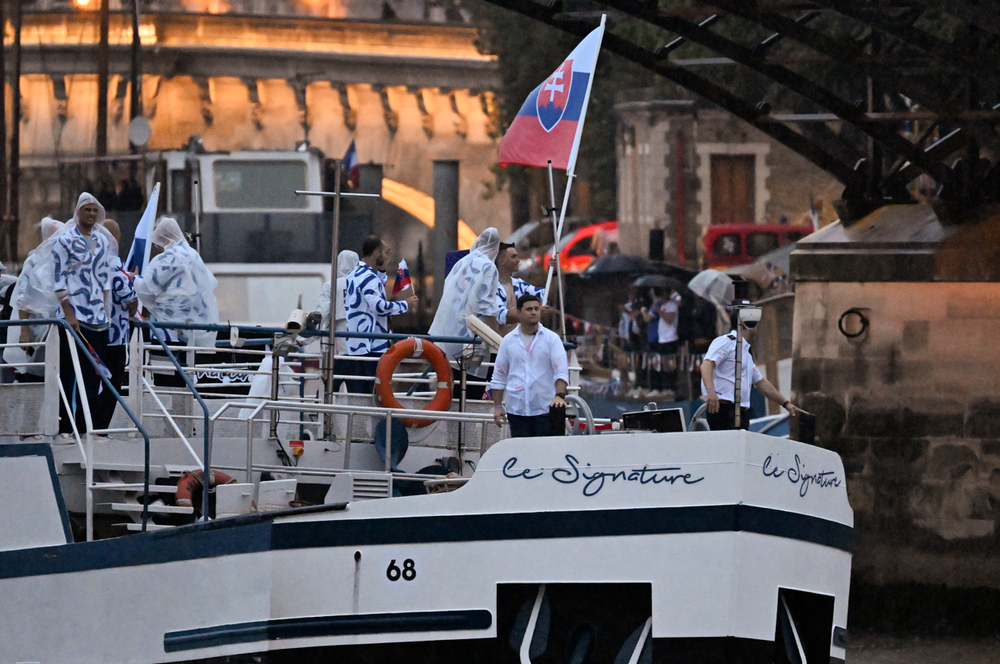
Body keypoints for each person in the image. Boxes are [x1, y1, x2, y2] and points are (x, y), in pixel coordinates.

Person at [52, 194, 114, 438]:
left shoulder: (102, 241)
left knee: (92, 375)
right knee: (68, 373)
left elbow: (105, 277)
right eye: (87, 209)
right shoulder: (64, 241)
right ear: (78, 212)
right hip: (74, 317)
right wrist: (68, 313)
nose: (91, 214)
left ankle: (85, 426)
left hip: (98, 317)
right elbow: (57, 279)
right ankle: (66, 427)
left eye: (94, 210)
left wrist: (106, 310)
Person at [429, 227, 502, 398]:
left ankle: (452, 425)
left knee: (450, 391)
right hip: (471, 340)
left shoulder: (462, 262)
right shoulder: (489, 267)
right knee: (471, 391)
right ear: (495, 248)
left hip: (447, 335)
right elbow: (487, 306)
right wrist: (497, 339)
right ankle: (465, 424)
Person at [343, 236, 416, 393]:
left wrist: (383, 267)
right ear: (376, 253)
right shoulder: (369, 278)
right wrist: (405, 304)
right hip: (372, 346)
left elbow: (373, 289)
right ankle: (375, 419)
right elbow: (379, 306)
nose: (387, 253)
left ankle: (358, 419)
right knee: (375, 394)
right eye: (384, 251)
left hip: (356, 345)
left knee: (359, 395)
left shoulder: (354, 273)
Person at [701, 319, 803, 430]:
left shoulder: (746, 354)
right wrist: (711, 391)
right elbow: (706, 364)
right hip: (722, 408)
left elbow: (761, 382)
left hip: (741, 412)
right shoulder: (726, 342)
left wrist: (785, 403)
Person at [134, 217, 220, 349]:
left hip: (168, 328)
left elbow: (147, 289)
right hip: (194, 329)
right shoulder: (192, 254)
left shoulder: (168, 258)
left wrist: (134, 280)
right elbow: (209, 283)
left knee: (164, 366)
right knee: (186, 366)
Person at [491, 294, 569, 438]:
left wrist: (559, 395)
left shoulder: (552, 339)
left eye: (536, 309)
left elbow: (561, 370)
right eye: (529, 309)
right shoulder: (508, 341)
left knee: (545, 453)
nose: (533, 312)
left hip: (545, 409)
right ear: (519, 314)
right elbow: (499, 375)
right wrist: (497, 406)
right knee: (521, 454)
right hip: (517, 410)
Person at [93, 219, 138, 431]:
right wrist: (132, 308)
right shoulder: (113, 264)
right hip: (115, 336)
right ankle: (100, 428)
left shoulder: (91, 261)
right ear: (116, 238)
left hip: (93, 334)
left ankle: (89, 425)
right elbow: (128, 295)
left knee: (93, 382)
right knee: (113, 384)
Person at [316, 249, 360, 355]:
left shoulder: (331, 286)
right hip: (364, 342)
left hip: (339, 342)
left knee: (339, 369)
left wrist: (302, 340)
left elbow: (322, 314)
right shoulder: (366, 285)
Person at [495, 242, 543, 335]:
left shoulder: (519, 284)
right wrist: (532, 313)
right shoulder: (491, 288)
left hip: (521, 341)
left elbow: (544, 294)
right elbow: (502, 316)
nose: (518, 260)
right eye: (513, 257)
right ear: (501, 261)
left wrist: (553, 272)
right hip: (499, 343)